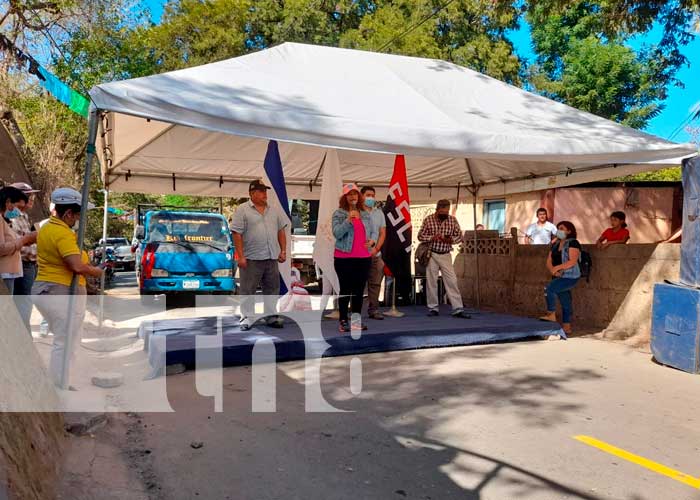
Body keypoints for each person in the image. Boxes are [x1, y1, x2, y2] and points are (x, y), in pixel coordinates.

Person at [32, 188, 102, 387]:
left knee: (64, 341)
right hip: (59, 290)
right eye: (78, 214)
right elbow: (76, 266)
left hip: (47, 289)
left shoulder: (46, 227)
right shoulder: (62, 233)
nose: (78, 219)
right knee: (65, 343)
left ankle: (61, 382)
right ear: (68, 213)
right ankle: (59, 386)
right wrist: (97, 271)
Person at [231, 180, 287, 331]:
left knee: (272, 288)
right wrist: (240, 256)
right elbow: (236, 233)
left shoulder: (273, 210)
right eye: (261, 191)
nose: (265, 194)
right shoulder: (242, 209)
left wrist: (283, 251)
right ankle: (247, 317)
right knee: (248, 289)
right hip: (251, 258)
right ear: (252, 193)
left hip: (271, 257)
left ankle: (271, 316)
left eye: (265, 191)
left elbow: (281, 231)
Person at [332, 183, 377, 332]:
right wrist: (348, 221)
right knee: (345, 289)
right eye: (350, 194)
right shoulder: (339, 213)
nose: (353, 196)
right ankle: (343, 320)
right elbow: (337, 233)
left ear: (359, 196)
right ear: (345, 197)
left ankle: (356, 321)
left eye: (355, 194)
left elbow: (373, 231)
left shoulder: (365, 214)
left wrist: (372, 240)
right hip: (344, 258)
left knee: (358, 291)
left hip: (363, 257)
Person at [417, 199, 471, 318]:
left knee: (451, 281)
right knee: (432, 282)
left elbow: (459, 236)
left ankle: (457, 308)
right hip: (432, 253)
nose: (445, 214)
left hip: (446, 253)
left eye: (446, 212)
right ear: (437, 209)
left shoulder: (452, 220)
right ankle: (433, 308)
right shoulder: (428, 219)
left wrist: (450, 240)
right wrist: (432, 237)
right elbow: (420, 236)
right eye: (442, 212)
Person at [540, 221, 581, 338]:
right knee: (565, 301)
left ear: (569, 231)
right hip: (557, 275)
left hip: (570, 276)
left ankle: (551, 313)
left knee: (549, 289)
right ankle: (567, 327)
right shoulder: (555, 244)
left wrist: (557, 268)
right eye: (558, 228)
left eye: (562, 228)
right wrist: (553, 270)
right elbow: (549, 260)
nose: (559, 230)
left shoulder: (573, 243)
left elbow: (572, 261)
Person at [10, 182, 41, 331]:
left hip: (29, 265)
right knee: (22, 305)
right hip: (21, 264)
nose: (30, 199)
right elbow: (16, 241)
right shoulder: (12, 215)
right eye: (27, 196)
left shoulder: (23, 216)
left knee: (24, 305)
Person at [1, 187, 36, 296]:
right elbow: (1, 248)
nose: (18, 212)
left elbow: (12, 241)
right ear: (8, 202)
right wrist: (24, 240)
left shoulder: (4, 220)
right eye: (18, 207)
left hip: (9, 272)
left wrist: (27, 241)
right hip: (4, 273)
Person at [360, 186, 386, 320]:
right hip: (359, 255)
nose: (371, 198)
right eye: (368, 195)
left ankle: (373, 309)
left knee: (375, 283)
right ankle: (354, 311)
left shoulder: (379, 213)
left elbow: (382, 234)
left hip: (375, 254)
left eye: (373, 195)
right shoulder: (356, 212)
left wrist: (376, 249)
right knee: (357, 284)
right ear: (361, 196)